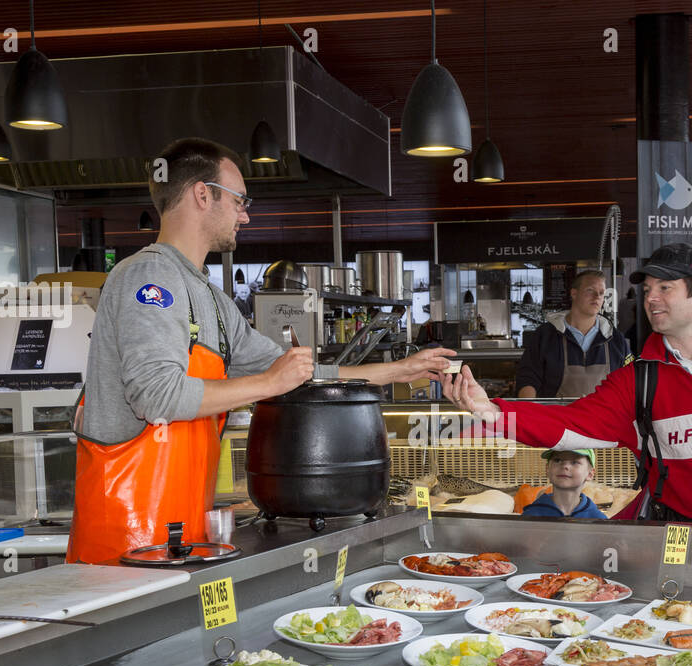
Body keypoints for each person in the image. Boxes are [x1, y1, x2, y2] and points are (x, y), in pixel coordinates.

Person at [67, 137, 453, 564]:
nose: (245, 215)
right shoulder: (148, 279)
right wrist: (269, 383)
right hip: (122, 541)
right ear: (202, 194)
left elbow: (297, 375)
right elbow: (157, 396)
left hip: (179, 529)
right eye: (239, 200)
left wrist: (398, 370)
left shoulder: (212, 300)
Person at [440, 242, 692, 527]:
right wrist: (491, 409)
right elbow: (573, 425)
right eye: (647, 290)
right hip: (677, 533)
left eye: (665, 288)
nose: (651, 299)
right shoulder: (639, 376)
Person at [515, 270, 631, 398]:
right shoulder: (545, 335)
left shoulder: (616, 339)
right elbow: (527, 378)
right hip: (556, 416)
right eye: (590, 290)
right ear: (574, 293)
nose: (597, 296)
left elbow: (630, 382)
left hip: (604, 417)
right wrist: (530, 411)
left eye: (602, 293)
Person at [522, 450, 608, 519]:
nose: (565, 466)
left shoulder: (598, 520)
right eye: (557, 460)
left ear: (590, 474)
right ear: (547, 469)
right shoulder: (531, 516)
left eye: (574, 462)